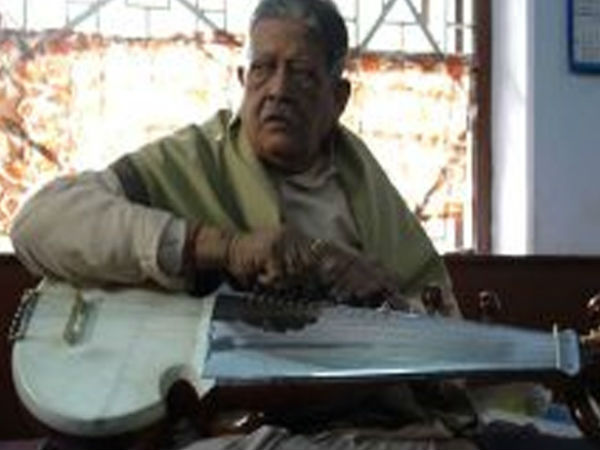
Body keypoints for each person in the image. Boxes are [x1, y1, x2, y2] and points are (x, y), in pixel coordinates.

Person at [8, 1, 599, 449]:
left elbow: (439, 332)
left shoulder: (363, 185)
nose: (277, 91)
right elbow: (38, 223)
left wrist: (382, 301)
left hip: (362, 419)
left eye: (302, 75)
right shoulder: (193, 161)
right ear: (242, 81)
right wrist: (221, 248)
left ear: (339, 98)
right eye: (262, 70)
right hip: (226, 427)